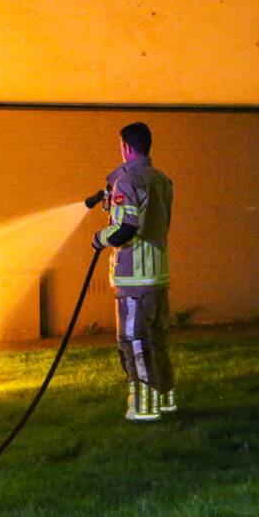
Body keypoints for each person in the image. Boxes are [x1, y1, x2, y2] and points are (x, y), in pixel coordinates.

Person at [91, 122, 175, 422]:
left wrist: (100, 238)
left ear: (126, 146)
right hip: (158, 275)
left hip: (135, 278)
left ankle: (144, 405)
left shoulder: (127, 182)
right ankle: (165, 397)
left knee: (134, 340)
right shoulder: (162, 180)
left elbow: (125, 228)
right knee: (156, 337)